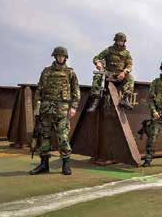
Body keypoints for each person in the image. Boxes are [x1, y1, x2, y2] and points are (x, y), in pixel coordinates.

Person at [29, 46, 80, 175]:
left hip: (62, 110)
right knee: (44, 136)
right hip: (46, 109)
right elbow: (39, 90)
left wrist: (73, 107)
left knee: (63, 137)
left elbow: (76, 91)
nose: (60, 58)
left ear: (65, 58)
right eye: (58, 56)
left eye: (62, 56)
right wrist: (37, 108)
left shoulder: (70, 72)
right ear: (55, 57)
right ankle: (44, 165)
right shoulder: (46, 72)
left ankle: (66, 165)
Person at [88, 32, 134, 111]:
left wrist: (124, 72)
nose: (120, 42)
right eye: (119, 40)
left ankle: (125, 98)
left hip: (120, 75)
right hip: (108, 73)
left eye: (122, 41)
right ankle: (95, 101)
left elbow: (129, 65)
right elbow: (96, 58)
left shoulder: (127, 53)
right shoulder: (109, 50)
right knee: (97, 76)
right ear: (115, 41)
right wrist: (98, 63)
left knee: (130, 78)